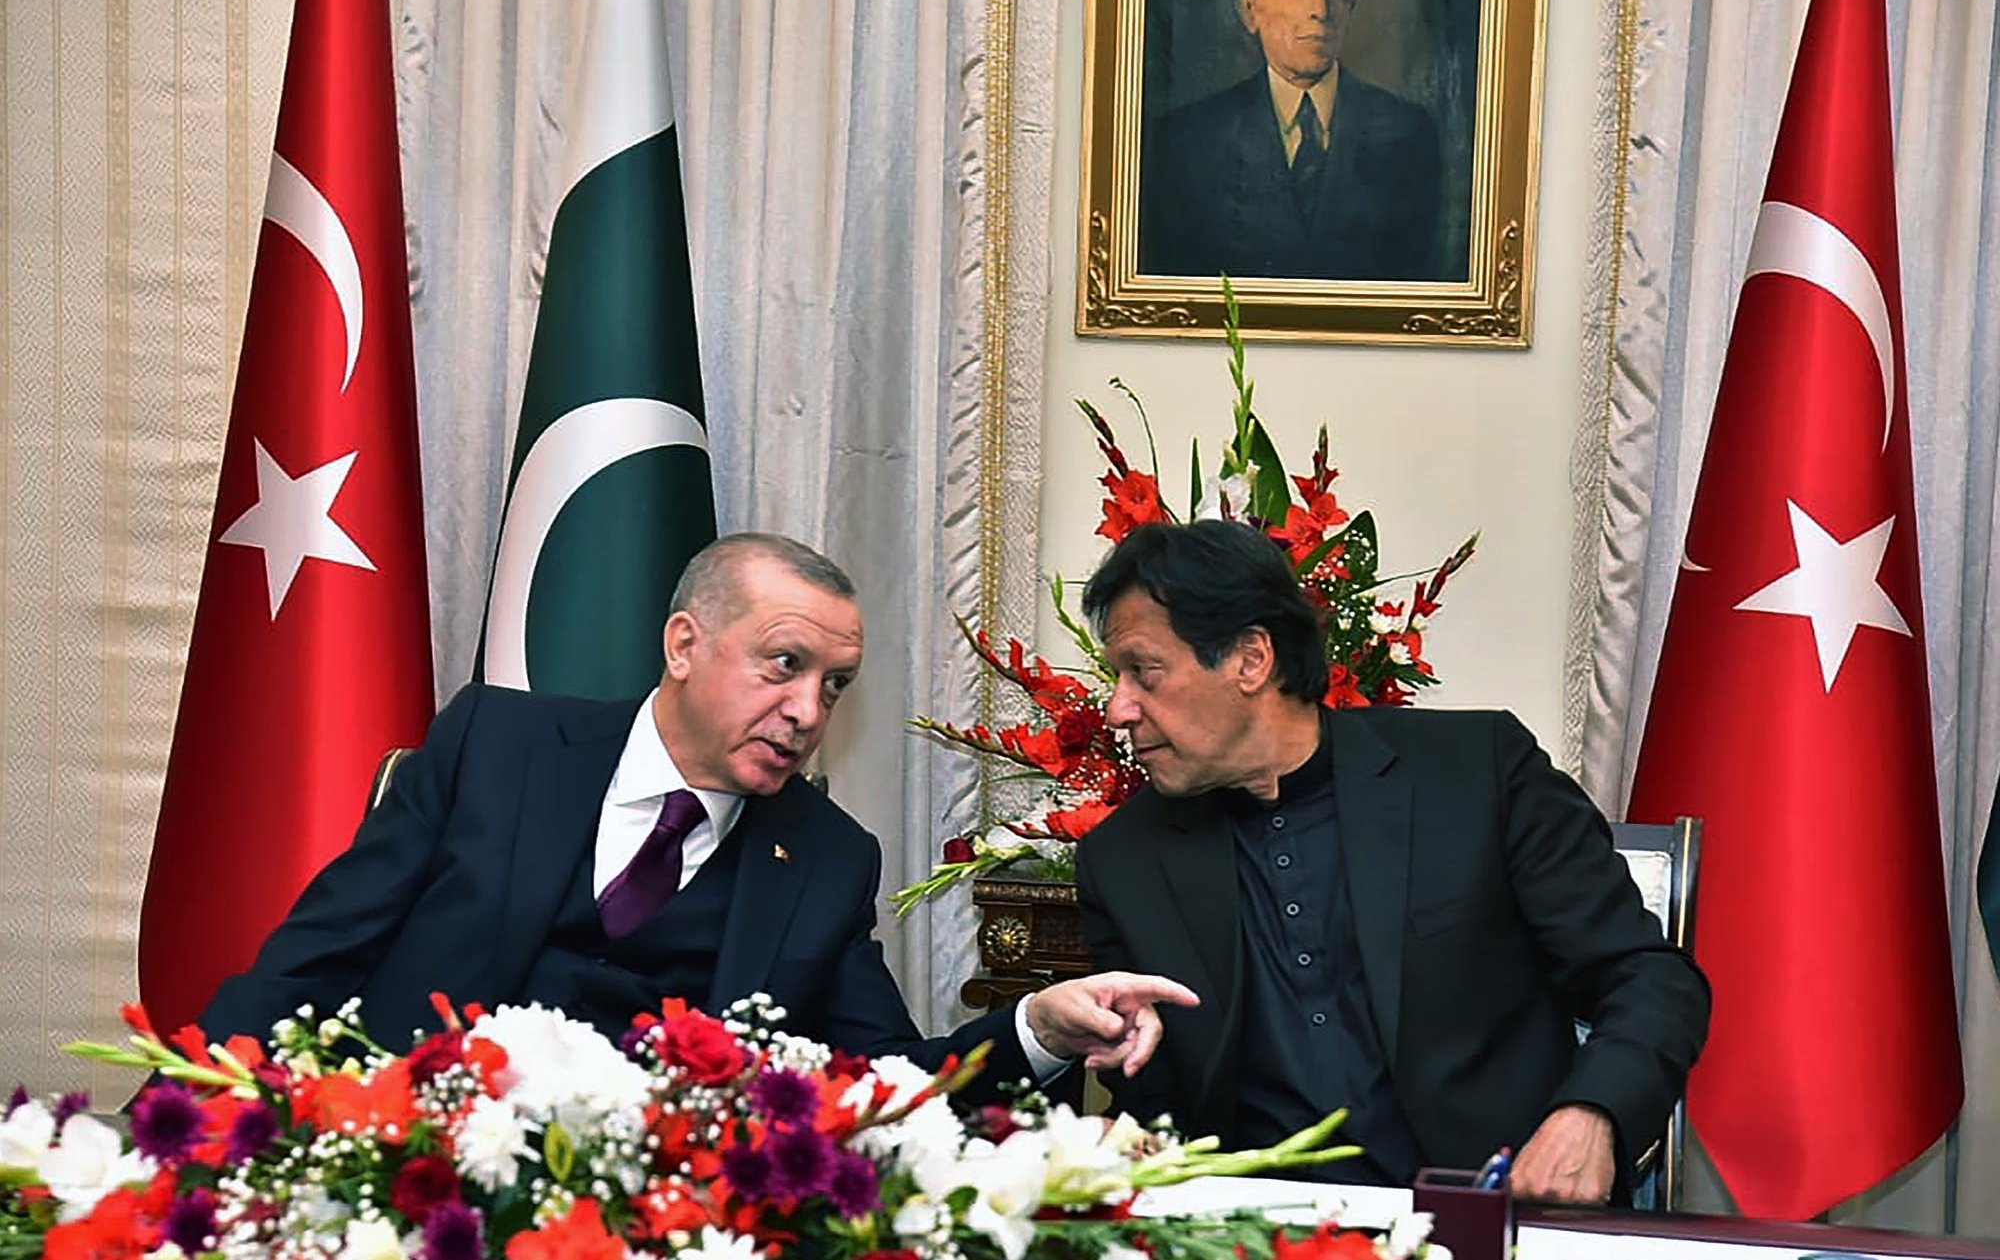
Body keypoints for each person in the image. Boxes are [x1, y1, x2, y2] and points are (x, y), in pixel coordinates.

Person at [201, 532, 1196, 1099]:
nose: (808, 711)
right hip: (418, 1182)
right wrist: (182, 1127)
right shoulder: (494, 747)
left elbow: (885, 1080)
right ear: (684, 644)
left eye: (835, 685)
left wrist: (1038, 1028)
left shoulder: (825, 858)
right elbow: (311, 961)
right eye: (783, 665)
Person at [1073, 521, 1710, 1203]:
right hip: (1262, 1240)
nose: (1118, 708)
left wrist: (1594, 1114)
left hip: (1489, 1224)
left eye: (1144, 671)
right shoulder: (1124, 860)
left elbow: (1649, 979)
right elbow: (1156, 1111)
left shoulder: (1476, 773)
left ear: (1251, 660)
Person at [1139, 0, 1445, 281]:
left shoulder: (1409, 133)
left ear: (1351, 3)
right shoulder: (1187, 140)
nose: (1320, 9)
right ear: (1249, 11)